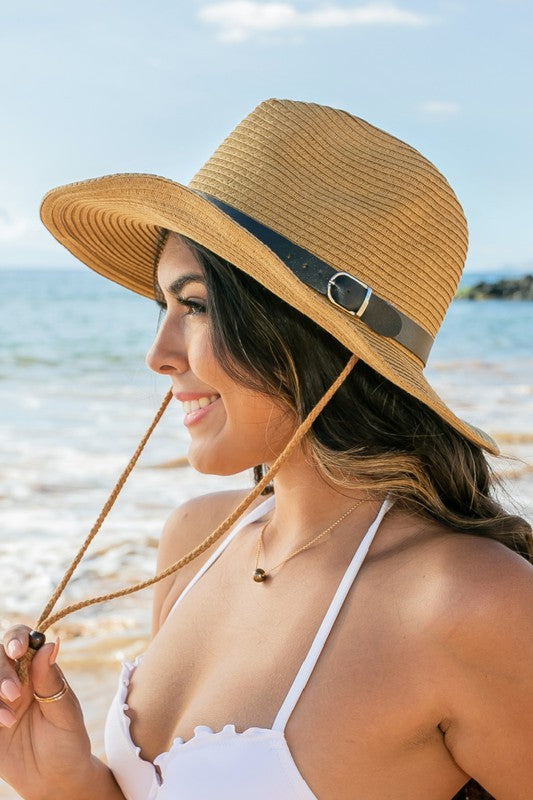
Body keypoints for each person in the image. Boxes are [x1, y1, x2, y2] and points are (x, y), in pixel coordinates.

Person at [0, 99, 532, 800]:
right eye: (161, 306)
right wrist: (64, 781)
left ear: (306, 332)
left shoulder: (471, 603)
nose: (157, 354)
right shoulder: (194, 541)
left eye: (194, 305)